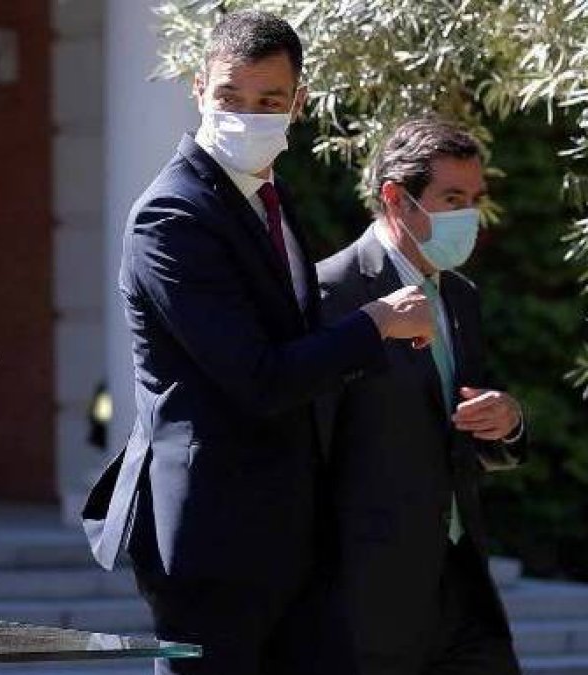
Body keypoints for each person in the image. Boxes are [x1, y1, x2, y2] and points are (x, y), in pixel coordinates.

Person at [81, 10, 437, 674]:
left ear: (298, 104)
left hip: (291, 529)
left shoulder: (267, 196)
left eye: (269, 101)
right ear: (198, 89)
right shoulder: (173, 216)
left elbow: (293, 345)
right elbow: (257, 374)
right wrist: (376, 324)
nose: (248, 115)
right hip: (215, 537)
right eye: (229, 97)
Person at [317, 116, 525, 675]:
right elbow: (306, 452)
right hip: (368, 602)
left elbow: (461, 421)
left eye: (475, 198)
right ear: (396, 199)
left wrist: (505, 421)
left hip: (462, 587)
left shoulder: (460, 296)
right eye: (451, 197)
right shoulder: (331, 293)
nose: (469, 216)